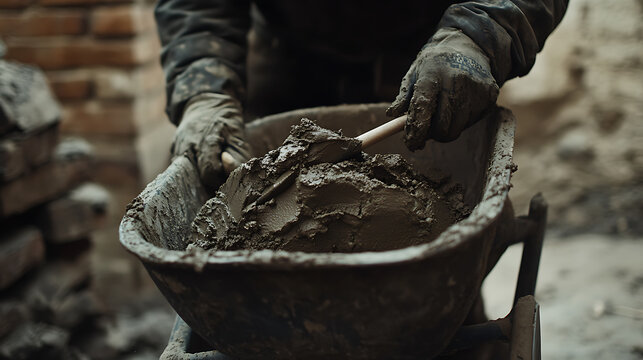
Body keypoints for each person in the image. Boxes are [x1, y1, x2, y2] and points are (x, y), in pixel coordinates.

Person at [155, 1, 567, 189]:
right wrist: (203, 90)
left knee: (434, 215)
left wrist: (480, 33)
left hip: (433, 60)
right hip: (287, 55)